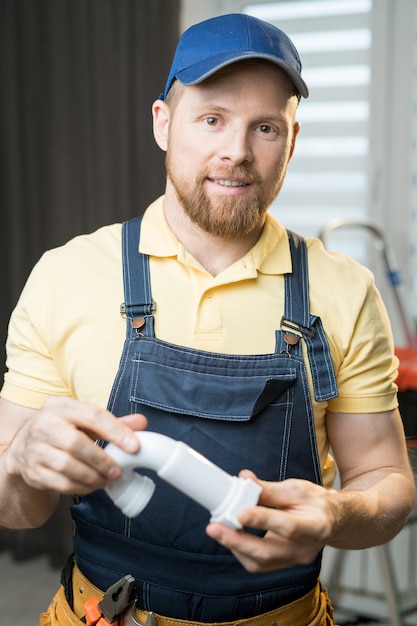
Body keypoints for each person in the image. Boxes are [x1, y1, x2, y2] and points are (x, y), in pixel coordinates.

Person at [0, 12, 414, 626]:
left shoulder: (345, 291)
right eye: (212, 118)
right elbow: (17, 510)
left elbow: (386, 480)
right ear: (163, 124)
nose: (236, 152)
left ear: (292, 143)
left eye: (266, 127)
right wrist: (20, 461)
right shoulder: (67, 276)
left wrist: (334, 515)